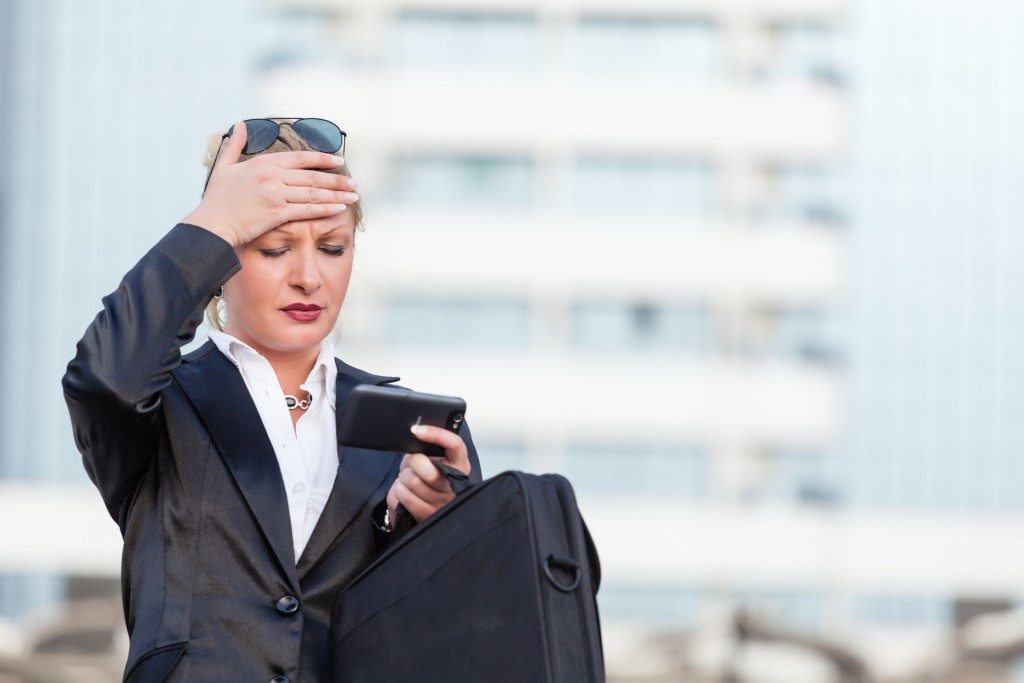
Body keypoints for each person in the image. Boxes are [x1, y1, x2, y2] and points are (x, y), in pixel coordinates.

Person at [62, 118, 482, 682]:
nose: (309, 277)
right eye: (274, 247)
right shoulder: (162, 408)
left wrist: (446, 526)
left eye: (333, 248)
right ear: (221, 261)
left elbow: (462, 630)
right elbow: (103, 378)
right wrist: (213, 221)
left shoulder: (414, 430)